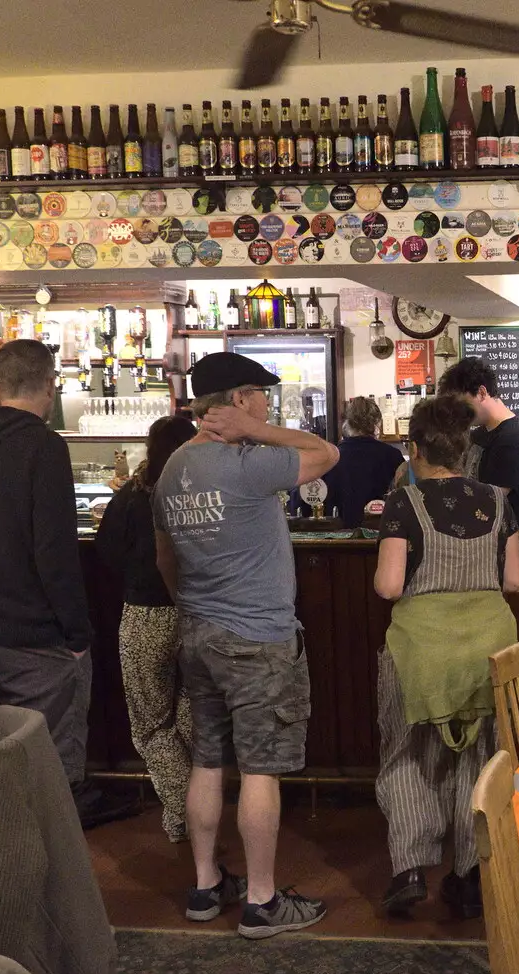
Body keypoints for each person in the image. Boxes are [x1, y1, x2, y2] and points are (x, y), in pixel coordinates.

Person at [154, 351, 339, 938]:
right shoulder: (245, 462)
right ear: (237, 402)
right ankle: (261, 901)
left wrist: (196, 606)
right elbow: (328, 454)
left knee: (207, 760)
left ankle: (206, 886)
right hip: (256, 637)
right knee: (261, 767)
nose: (266, 405)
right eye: (259, 397)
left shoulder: (172, 469)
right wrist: (256, 433)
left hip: (198, 632)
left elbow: (166, 562)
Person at [0, 338, 135, 828]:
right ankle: (47, 864)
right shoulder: (43, 446)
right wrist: (76, 635)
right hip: (30, 630)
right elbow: (54, 549)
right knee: (49, 764)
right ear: (51, 386)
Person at [373, 396, 519, 918]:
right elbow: (513, 580)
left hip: (423, 651)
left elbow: (390, 586)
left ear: (415, 448)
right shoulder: (498, 501)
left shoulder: (403, 503)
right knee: (476, 757)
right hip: (489, 649)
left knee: (408, 754)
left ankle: (411, 868)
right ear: (464, 450)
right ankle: (468, 876)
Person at [95, 415, 199, 843]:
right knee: (194, 716)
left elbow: (105, 550)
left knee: (152, 725)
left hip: (145, 614)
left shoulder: (134, 496)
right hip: (198, 613)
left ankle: (184, 813)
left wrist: (137, 575)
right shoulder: (200, 495)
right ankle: (195, 809)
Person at [438, 356, 519, 529]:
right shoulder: (479, 434)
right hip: (488, 539)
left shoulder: (511, 440)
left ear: (482, 393)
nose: (459, 412)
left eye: (462, 404)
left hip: (514, 540)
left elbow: (490, 501)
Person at [290, 396, 404, 528]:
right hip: (378, 533)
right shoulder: (392, 456)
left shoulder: (330, 457)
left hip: (333, 536)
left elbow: (303, 502)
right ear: (377, 423)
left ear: (347, 423)